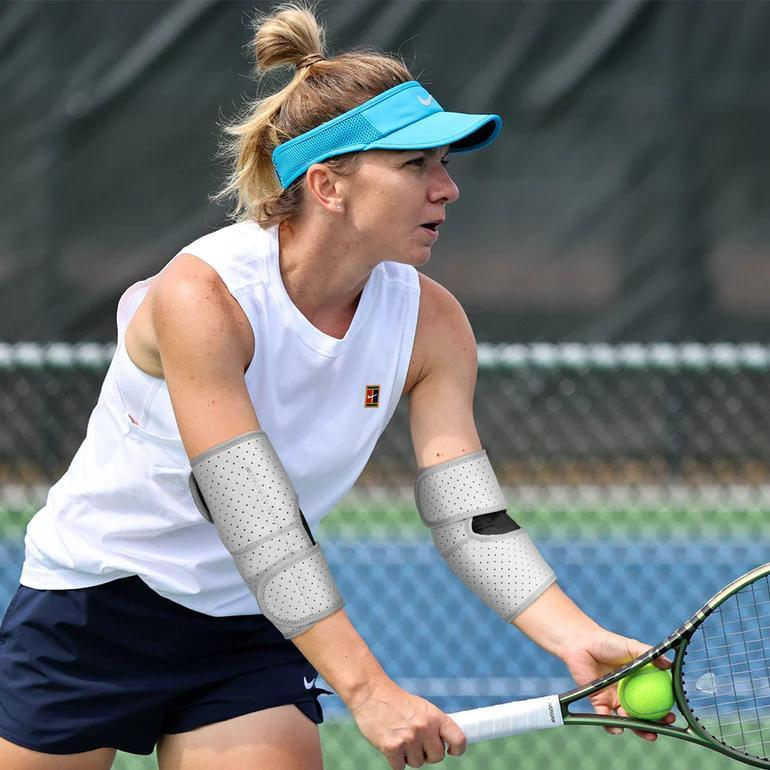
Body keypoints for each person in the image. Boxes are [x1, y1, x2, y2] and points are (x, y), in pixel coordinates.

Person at [0, 4, 675, 770]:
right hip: (94, 609)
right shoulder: (204, 297)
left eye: (445, 163)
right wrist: (368, 690)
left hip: (248, 624)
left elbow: (467, 514)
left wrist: (575, 633)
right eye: (416, 165)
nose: (447, 188)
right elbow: (252, 512)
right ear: (327, 185)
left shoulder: (432, 324)